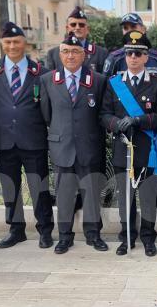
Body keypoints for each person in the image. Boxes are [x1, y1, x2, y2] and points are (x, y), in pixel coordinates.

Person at [0, 21, 54, 249]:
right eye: (8, 42)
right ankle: (16, 229)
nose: (12, 46)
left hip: (33, 140)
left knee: (38, 188)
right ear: (2, 44)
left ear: (24, 43)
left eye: (16, 41)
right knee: (9, 187)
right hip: (4, 142)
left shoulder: (40, 73)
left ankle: (45, 229)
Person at [100, 31, 157, 256]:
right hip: (124, 148)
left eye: (138, 53)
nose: (133, 57)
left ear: (146, 57)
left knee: (148, 197)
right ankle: (127, 237)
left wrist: (139, 120)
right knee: (125, 198)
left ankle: (148, 238)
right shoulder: (114, 84)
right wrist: (115, 123)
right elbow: (103, 114)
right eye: (129, 53)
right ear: (125, 56)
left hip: (149, 149)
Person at [41, 32, 108, 254]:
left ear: (84, 54)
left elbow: (101, 114)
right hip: (62, 147)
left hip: (89, 147)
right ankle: (65, 237)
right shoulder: (48, 80)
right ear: (60, 54)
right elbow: (47, 115)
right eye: (66, 51)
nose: (71, 55)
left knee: (91, 195)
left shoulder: (97, 80)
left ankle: (93, 235)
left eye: (76, 51)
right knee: (64, 195)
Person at [44, 6, 108, 74]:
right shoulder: (53, 54)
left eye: (81, 25)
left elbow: (105, 81)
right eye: (73, 25)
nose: (77, 27)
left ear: (87, 29)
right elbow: (49, 82)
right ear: (67, 29)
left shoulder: (101, 53)